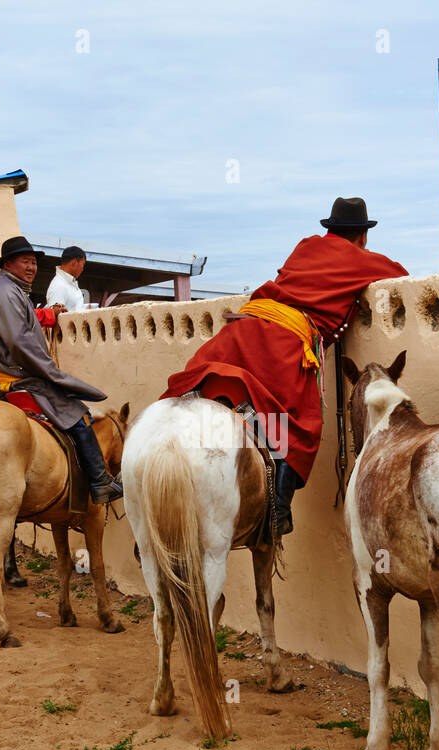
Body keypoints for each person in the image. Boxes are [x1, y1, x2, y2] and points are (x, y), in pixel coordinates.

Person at [161, 197, 408, 534]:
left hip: (243, 326)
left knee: (190, 383)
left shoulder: (306, 245)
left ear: (330, 229)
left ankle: (132, 467)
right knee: (298, 422)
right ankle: (278, 510)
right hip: (282, 341)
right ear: (363, 237)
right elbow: (400, 276)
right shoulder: (361, 259)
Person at [0, 235, 123, 503]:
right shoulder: (7, 293)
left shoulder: (8, 290)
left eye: (33, 263)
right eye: (25, 262)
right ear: (8, 264)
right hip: (15, 378)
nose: (31, 268)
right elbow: (20, 344)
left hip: (10, 372)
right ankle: (101, 484)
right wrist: (53, 374)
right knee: (79, 416)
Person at [45, 245, 88, 312]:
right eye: (83, 264)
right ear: (75, 262)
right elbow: (56, 317)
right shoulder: (59, 285)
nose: (82, 269)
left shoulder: (68, 283)